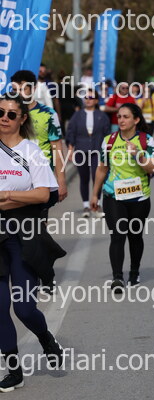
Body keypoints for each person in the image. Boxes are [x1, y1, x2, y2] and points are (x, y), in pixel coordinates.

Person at [0, 95, 65, 392]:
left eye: (11, 114)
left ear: (22, 119)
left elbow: (43, 194)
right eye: (0, 112)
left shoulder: (31, 151)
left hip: (23, 236)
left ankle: (46, 338)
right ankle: (14, 370)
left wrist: (7, 197)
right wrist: (14, 199)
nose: (4, 118)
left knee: (25, 309)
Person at [90, 103, 154, 292]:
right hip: (113, 195)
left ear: (136, 120)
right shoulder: (109, 140)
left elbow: (152, 168)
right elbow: (102, 168)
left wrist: (138, 155)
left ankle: (134, 272)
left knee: (135, 236)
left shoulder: (146, 140)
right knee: (117, 236)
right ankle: (117, 277)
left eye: (126, 117)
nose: (121, 120)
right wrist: (94, 194)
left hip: (139, 197)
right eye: (119, 116)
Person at [10, 70, 68, 204]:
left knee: (37, 217)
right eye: (15, 90)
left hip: (40, 178)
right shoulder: (6, 115)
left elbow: (57, 149)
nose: (18, 93)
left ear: (34, 88)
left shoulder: (48, 114)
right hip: (13, 176)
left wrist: (61, 180)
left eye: (23, 89)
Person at [66, 89, 111, 217]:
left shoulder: (102, 116)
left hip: (97, 149)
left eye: (91, 97)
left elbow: (107, 134)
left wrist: (107, 151)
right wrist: (70, 149)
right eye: (86, 97)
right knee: (84, 177)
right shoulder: (77, 115)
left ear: (96, 100)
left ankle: (97, 204)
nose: (88, 100)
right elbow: (71, 132)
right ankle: (86, 205)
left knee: (97, 177)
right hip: (81, 149)